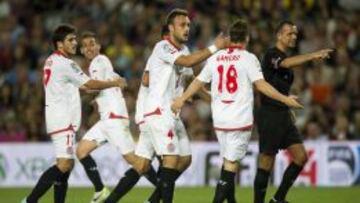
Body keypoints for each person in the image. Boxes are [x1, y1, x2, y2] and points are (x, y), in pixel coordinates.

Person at [171, 19, 303, 203]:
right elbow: (262, 86)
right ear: (247, 39)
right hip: (239, 121)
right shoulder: (248, 58)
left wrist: (182, 99)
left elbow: (198, 82)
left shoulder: (215, 57)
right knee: (230, 167)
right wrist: (285, 99)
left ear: (229, 38)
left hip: (220, 121)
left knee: (228, 163)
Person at [121, 8, 229, 203]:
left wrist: (216, 100)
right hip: (158, 111)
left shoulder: (184, 50)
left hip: (172, 113)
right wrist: (215, 47)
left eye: (188, 25)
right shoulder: (162, 47)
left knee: (182, 160)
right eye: (182, 25)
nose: (187, 28)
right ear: (170, 28)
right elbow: (186, 62)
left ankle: (150, 200)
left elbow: (192, 84)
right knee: (170, 159)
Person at [21, 24, 126, 203]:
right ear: (59, 44)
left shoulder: (52, 60)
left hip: (57, 117)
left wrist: (94, 92)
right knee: (65, 164)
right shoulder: (66, 63)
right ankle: (30, 200)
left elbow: (82, 87)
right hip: (63, 119)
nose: (75, 43)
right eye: (70, 40)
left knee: (65, 166)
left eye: (75, 39)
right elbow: (90, 83)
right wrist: (114, 83)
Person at [253, 21, 333, 203]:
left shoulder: (285, 63)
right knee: (266, 161)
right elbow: (286, 63)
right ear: (279, 35)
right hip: (269, 114)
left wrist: (288, 102)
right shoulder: (271, 55)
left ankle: (277, 199)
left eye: (295, 34)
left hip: (283, 114)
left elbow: (279, 84)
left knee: (301, 157)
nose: (294, 37)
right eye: (289, 33)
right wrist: (313, 55)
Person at [76, 31, 158, 203]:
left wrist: (78, 91)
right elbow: (115, 82)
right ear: (81, 51)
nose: (89, 48)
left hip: (114, 120)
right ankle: (100, 190)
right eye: (85, 46)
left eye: (92, 44)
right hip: (106, 120)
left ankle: (163, 188)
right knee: (82, 150)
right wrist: (100, 96)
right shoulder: (104, 64)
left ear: (98, 46)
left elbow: (96, 86)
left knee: (136, 162)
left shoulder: (99, 61)